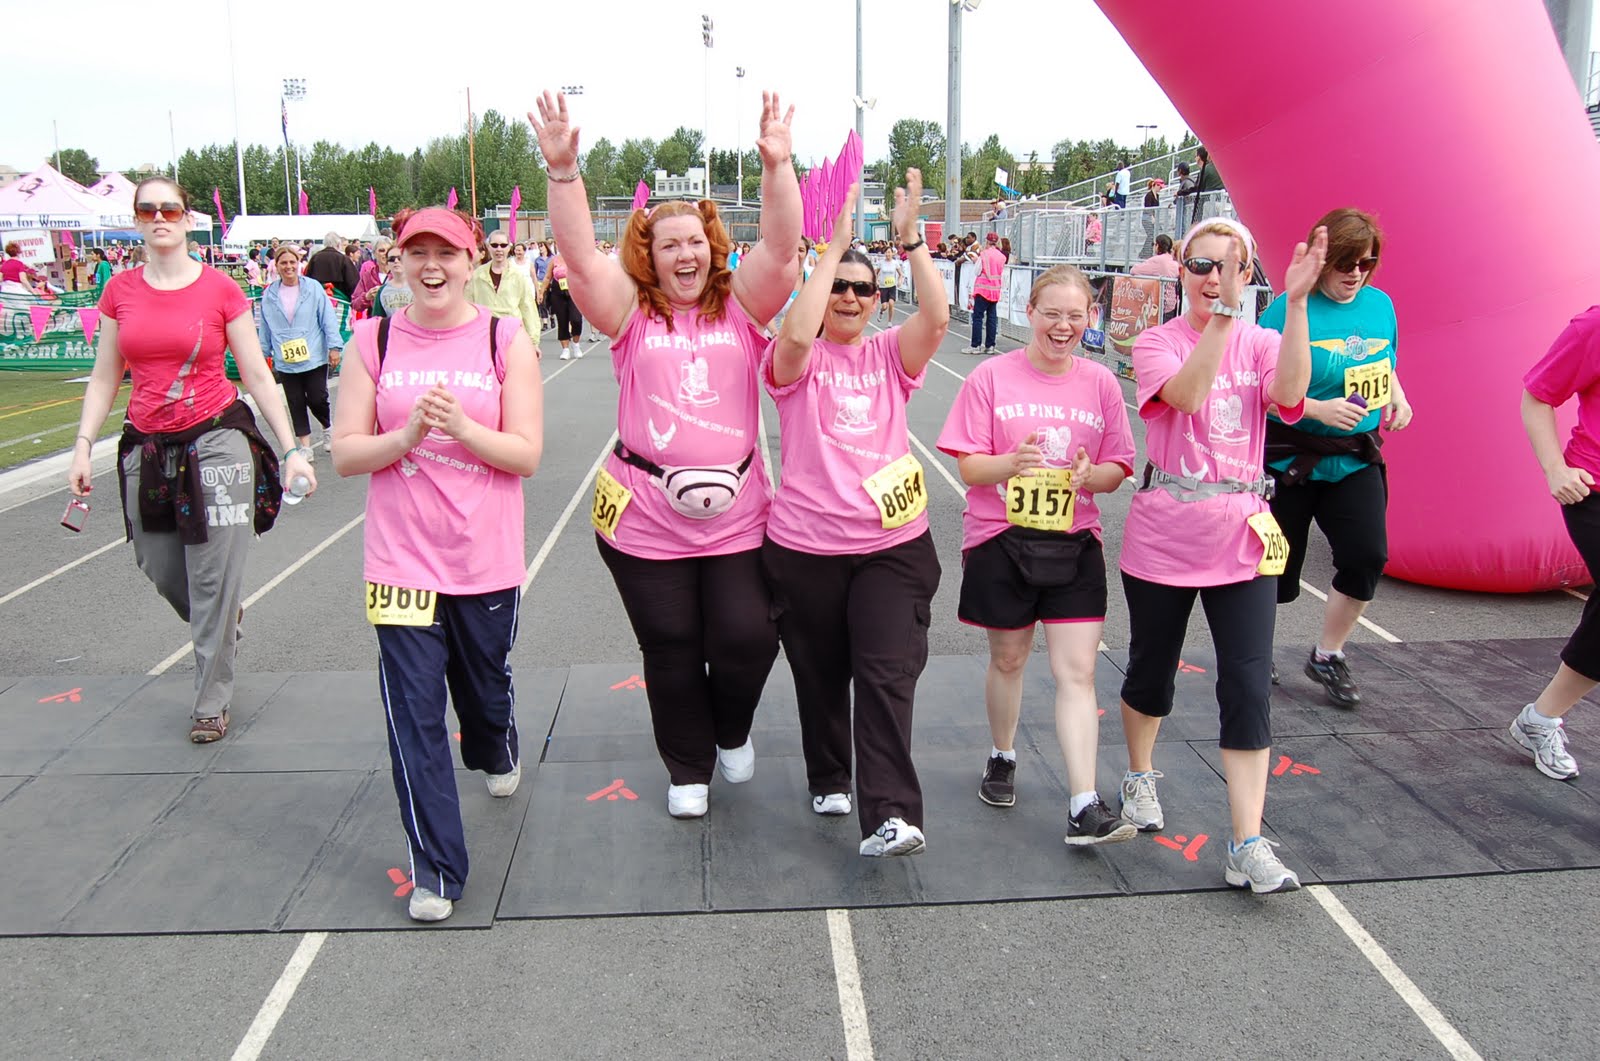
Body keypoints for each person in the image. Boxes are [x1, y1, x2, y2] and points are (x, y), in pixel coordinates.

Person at [532, 87, 799, 820]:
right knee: (672, 643)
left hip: (739, 512)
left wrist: (777, 165)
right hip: (646, 515)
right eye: (667, 242)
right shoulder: (631, 315)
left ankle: (731, 726)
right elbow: (581, 260)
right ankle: (687, 764)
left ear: (714, 247)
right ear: (650, 254)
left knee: (747, 633)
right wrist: (563, 172)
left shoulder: (743, 307)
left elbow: (782, 250)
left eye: (694, 241)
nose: (684, 252)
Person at [331, 205, 544, 922]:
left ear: (469, 259)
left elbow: (527, 454)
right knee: (413, 716)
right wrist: (408, 434)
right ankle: (438, 867)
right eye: (415, 252)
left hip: (484, 559)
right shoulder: (374, 339)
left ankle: (496, 741)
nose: (431, 266)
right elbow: (345, 455)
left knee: (483, 696)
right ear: (396, 260)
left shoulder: (503, 338)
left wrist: (463, 427)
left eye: (445, 252)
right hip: (400, 562)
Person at [1116, 216, 1326, 895]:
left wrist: (1294, 305)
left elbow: (1291, 394)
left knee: (1246, 683)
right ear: (1180, 271)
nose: (1213, 279)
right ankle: (1141, 775)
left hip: (1243, 534)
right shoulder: (1154, 342)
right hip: (1165, 539)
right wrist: (1221, 320)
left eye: (1228, 267)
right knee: (1151, 673)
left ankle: (1247, 841)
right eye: (1201, 266)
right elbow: (1187, 394)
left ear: (1247, 273)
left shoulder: (1264, 338)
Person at [66, 176, 315, 744]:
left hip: (217, 438)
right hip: (147, 444)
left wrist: (293, 450)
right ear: (136, 219)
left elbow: (255, 373)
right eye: (147, 209)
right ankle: (224, 619)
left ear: (186, 217)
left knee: (212, 576)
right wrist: (83, 444)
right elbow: (107, 375)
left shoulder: (221, 290)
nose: (159, 217)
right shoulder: (119, 292)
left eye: (170, 209)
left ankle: (211, 703)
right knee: (158, 564)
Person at [763, 172, 948, 855]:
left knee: (883, 669)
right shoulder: (796, 360)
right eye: (836, 286)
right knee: (819, 672)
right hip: (806, 549)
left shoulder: (889, 356)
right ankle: (829, 771)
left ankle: (893, 812)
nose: (846, 296)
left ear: (876, 301)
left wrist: (910, 241)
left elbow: (936, 320)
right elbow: (792, 341)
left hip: (891, 547)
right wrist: (829, 250)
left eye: (860, 288)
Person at [938, 264, 1137, 844]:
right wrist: (1012, 464)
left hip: (1075, 541)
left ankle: (1084, 802)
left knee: (1076, 670)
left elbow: (1118, 469)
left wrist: (1088, 474)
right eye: (1053, 313)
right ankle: (1002, 754)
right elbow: (970, 466)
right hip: (1002, 537)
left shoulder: (1101, 383)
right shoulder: (991, 378)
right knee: (1009, 660)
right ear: (1030, 313)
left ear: (1089, 321)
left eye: (1076, 316)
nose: (1063, 326)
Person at [1261, 208, 1411, 703]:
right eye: (1344, 263)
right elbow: (1259, 383)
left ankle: (1328, 654)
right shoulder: (1286, 309)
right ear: (1321, 260)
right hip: (1289, 459)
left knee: (1367, 557)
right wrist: (1316, 408)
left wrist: (1397, 395)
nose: (1354, 274)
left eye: (1365, 264)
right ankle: (1255, 652)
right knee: (1274, 570)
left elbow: (1382, 362)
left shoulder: (1380, 305)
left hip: (1353, 458)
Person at [1509, 306, 1600, 780]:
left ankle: (1539, 720)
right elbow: (1537, 397)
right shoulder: (1593, 327)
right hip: (1591, 489)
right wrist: (1554, 470)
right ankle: (1540, 721)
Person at [258, 243, 343, 457]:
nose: (288, 267)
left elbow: (327, 318)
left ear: (299, 264)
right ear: (276, 266)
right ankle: (304, 446)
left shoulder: (313, 288)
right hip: (286, 358)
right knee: (295, 402)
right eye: (283, 263)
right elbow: (265, 325)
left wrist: (334, 346)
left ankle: (327, 427)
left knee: (317, 397)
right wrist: (263, 353)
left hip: (313, 353)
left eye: (292, 262)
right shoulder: (269, 295)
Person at [466, 228, 542, 342]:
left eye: (503, 245)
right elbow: (467, 306)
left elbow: (528, 309)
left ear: (509, 247)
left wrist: (533, 341)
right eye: (495, 245)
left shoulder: (518, 276)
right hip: (484, 336)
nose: (499, 249)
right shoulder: (476, 276)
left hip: (511, 335)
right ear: (488, 247)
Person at [962, 232, 1007, 356]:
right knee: (992, 318)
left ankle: (975, 345)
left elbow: (977, 271)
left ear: (987, 241)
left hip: (983, 289)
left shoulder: (984, 255)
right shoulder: (1002, 256)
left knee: (978, 317)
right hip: (995, 289)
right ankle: (990, 345)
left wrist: (976, 261)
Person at [1132, 233, 1180, 317]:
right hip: (1172, 305)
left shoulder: (1157, 261)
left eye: (1153, 244)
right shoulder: (1174, 263)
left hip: (1159, 306)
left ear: (1157, 246)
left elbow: (1134, 270)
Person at [305, 230, 360, 299]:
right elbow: (353, 282)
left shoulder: (315, 257)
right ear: (338, 244)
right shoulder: (343, 259)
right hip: (340, 300)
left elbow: (308, 280)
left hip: (318, 297)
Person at [351, 238, 394, 316]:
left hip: (396, 322)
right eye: (382, 250)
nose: (386, 253)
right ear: (374, 253)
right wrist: (367, 297)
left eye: (389, 250)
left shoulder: (400, 274)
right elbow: (355, 304)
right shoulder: (368, 276)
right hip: (375, 322)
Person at [369, 244, 413, 319]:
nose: (396, 261)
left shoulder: (419, 287)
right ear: (387, 263)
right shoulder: (382, 290)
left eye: (400, 258)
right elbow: (377, 320)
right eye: (392, 259)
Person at [874, 243, 901, 324]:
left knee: (891, 304)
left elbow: (901, 274)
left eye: (889, 252)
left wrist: (900, 281)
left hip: (892, 286)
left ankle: (890, 321)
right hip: (883, 286)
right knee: (884, 306)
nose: (888, 254)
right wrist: (876, 280)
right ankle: (881, 311)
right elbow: (875, 272)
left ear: (892, 253)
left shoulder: (895, 263)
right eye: (886, 252)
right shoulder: (881, 263)